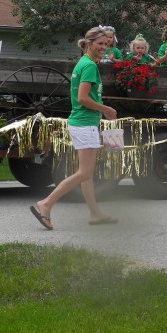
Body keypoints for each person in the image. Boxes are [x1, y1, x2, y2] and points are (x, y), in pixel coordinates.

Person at [30, 26, 119, 230]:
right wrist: (105, 109)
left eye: (106, 44)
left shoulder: (83, 63)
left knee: (86, 172)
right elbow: (82, 98)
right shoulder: (89, 66)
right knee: (84, 173)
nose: (103, 47)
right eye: (99, 44)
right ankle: (46, 204)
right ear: (88, 43)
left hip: (81, 123)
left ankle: (95, 213)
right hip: (85, 123)